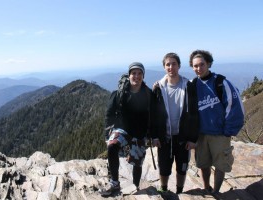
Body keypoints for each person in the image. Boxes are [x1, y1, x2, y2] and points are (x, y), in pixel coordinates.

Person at [189, 50, 244, 195]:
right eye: (195, 66)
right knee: (203, 164)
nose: (198, 68)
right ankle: (206, 188)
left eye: (202, 64)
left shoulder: (221, 83)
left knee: (220, 165)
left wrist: (228, 131)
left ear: (208, 64)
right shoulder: (192, 85)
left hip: (220, 134)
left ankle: (216, 192)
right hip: (201, 134)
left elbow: (234, 106)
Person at [100, 62, 157, 197]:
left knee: (137, 163)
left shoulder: (148, 94)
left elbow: (154, 116)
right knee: (112, 146)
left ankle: (136, 186)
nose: (136, 76)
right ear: (129, 75)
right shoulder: (119, 93)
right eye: (133, 73)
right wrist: (107, 135)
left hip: (140, 133)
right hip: (122, 129)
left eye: (139, 73)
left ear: (143, 76)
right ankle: (114, 183)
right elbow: (109, 114)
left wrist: (154, 136)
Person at [152, 53, 199, 194]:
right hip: (165, 137)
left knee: (182, 167)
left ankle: (180, 191)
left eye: (174, 64)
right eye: (168, 64)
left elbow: (195, 114)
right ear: (164, 67)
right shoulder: (158, 88)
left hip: (183, 136)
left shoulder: (188, 86)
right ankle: (164, 189)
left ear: (179, 65)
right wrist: (154, 136)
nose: (171, 67)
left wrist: (192, 139)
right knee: (164, 167)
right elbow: (153, 115)